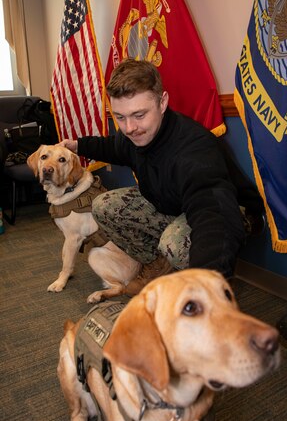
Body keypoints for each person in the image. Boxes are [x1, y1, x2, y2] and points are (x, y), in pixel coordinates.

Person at [60, 58, 264, 293]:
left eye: (139, 115)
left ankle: (190, 282)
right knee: (105, 205)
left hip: (228, 211)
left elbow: (215, 217)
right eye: (120, 117)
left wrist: (205, 292)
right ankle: (157, 266)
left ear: (163, 102)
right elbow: (114, 147)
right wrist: (77, 145)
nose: (129, 128)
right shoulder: (135, 135)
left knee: (174, 244)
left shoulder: (194, 150)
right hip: (176, 203)